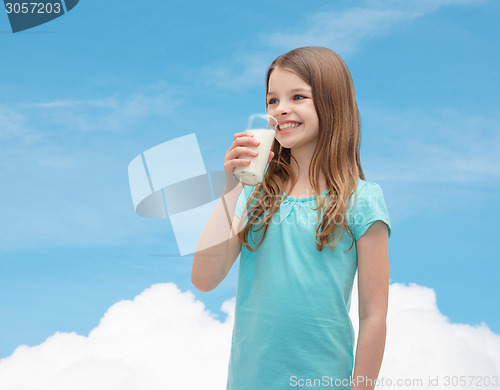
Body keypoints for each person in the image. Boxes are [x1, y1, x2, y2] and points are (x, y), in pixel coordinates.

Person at [191, 46, 391, 390]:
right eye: (272, 101)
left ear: (332, 103)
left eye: (298, 96)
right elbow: (204, 279)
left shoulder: (362, 199)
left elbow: (374, 316)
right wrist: (230, 188)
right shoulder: (253, 194)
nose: (280, 109)